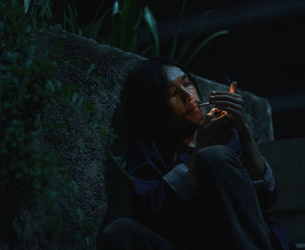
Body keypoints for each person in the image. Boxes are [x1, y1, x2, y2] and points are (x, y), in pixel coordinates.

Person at [99, 57, 291, 250]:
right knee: (119, 232)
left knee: (214, 156)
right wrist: (199, 151)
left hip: (245, 241)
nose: (187, 95)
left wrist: (243, 131)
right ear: (155, 107)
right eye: (172, 93)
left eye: (187, 84)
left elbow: (267, 197)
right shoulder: (149, 150)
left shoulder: (225, 134)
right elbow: (155, 212)